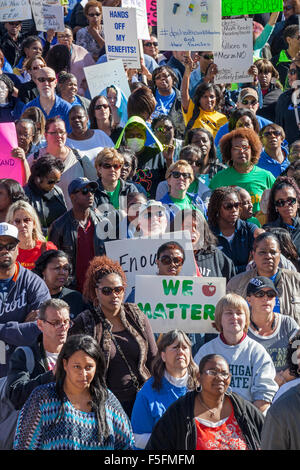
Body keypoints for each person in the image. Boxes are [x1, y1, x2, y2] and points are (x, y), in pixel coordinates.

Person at [69, 256, 158, 418]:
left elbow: (153, 357)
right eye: (107, 291)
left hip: (141, 399)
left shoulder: (136, 315)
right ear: (96, 291)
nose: (114, 295)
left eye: (119, 289)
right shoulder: (85, 321)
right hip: (102, 403)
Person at [13, 334, 134, 450]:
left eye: (89, 367)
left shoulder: (107, 400)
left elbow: (127, 445)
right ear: (65, 364)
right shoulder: (42, 399)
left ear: (96, 366)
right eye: (77, 366)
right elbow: (24, 445)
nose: (83, 373)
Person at [146, 353, 265, 450]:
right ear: (199, 376)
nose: (219, 377)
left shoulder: (243, 410)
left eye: (224, 373)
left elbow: (269, 437)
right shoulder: (179, 412)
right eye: (212, 372)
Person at [194, 294, 278, 413]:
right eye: (228, 313)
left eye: (239, 313)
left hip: (247, 421)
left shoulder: (257, 352)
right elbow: (195, 387)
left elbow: (264, 396)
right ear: (219, 318)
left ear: (246, 319)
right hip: (210, 419)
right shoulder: (206, 351)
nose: (234, 317)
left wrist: (247, 422)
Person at [131, 329, 199, 449]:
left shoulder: (201, 387)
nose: (181, 352)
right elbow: (138, 438)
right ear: (163, 355)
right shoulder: (147, 392)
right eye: (175, 347)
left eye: (185, 348)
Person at [0, 222, 50, 377]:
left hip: (24, 369)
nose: (4, 251)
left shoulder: (33, 283)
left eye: (10, 246)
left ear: (17, 249)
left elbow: (44, 326)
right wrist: (22, 326)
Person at [7, 298, 71, 411]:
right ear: (40, 324)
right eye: (56, 323)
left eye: (66, 321)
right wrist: (52, 375)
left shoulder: (76, 354)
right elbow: (15, 396)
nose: (63, 327)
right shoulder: (24, 355)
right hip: (38, 426)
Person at [227, 232, 300, 323]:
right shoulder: (236, 284)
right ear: (253, 254)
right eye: (262, 252)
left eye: (273, 252)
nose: (268, 256)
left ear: (280, 254)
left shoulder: (296, 280)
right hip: (250, 336)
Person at [48, 178, 105, 293]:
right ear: (72, 197)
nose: (90, 194)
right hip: (72, 290)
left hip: (99, 288)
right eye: (84, 190)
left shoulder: (102, 222)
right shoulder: (59, 226)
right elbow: (53, 261)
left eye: (92, 190)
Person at [27, 116, 97, 210]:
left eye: (61, 132)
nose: (59, 136)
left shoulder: (80, 158)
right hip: (45, 219)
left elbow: (94, 186)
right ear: (45, 135)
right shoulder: (34, 159)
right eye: (54, 132)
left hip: (75, 217)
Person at [246, 276, 299, 386]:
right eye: (260, 294)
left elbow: (298, 359)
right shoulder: (242, 328)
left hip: (286, 388)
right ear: (249, 300)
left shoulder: (288, 324)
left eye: (270, 294)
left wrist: (283, 377)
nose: (266, 298)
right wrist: (269, 381)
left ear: (275, 299)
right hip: (253, 390)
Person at [210, 128, 276, 214]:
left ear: (252, 150)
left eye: (245, 147)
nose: (241, 151)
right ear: (229, 152)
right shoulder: (219, 178)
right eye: (236, 148)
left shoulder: (266, 176)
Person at [207, 187, 261, 273]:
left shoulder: (250, 229)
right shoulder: (207, 232)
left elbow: (257, 264)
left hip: (246, 283)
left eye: (237, 205)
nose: (234, 210)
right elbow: (210, 269)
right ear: (217, 208)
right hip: (218, 284)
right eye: (228, 206)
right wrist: (245, 268)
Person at [173, 209, 236, 281]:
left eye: (197, 227)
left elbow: (231, 287)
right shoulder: (167, 255)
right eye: (188, 226)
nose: (193, 230)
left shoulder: (216, 256)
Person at [115, 116, 164, 199]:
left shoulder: (155, 154)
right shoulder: (119, 155)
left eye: (139, 136)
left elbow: (166, 179)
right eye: (131, 135)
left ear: (145, 137)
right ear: (125, 137)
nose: (135, 139)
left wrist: (169, 160)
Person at [33, 250, 87, 320]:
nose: (62, 272)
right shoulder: (32, 297)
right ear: (43, 270)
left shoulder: (76, 298)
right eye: (57, 268)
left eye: (66, 268)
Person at [181, 58, 227, 138]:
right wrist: (187, 70)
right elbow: (184, 93)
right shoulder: (192, 112)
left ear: (217, 99)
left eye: (212, 97)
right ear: (199, 99)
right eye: (205, 97)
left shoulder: (223, 118)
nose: (209, 100)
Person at [6, 200, 57, 270]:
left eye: (26, 220)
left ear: (34, 223)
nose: (22, 224)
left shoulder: (47, 248)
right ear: (10, 224)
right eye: (17, 221)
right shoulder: (6, 252)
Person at [23, 155, 67, 235]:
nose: (53, 185)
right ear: (38, 178)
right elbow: (23, 226)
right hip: (38, 242)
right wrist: (47, 231)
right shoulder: (24, 195)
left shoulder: (57, 191)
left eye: (56, 182)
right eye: (50, 182)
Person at [21, 67, 72, 134]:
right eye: (41, 79)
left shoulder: (67, 108)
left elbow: (70, 135)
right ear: (36, 82)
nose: (46, 83)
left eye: (50, 79)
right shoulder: (28, 109)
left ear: (55, 82)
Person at [93, 147, 138, 215]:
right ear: (99, 168)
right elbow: (92, 219)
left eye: (116, 166)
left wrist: (102, 215)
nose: (112, 169)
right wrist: (122, 213)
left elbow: (135, 215)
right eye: (107, 166)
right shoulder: (92, 190)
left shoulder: (130, 189)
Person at [263, 176, 300, 256]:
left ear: (298, 202)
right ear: (275, 206)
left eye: (291, 200)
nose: (286, 205)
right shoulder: (268, 230)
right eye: (280, 202)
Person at [56, 26, 95, 96]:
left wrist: (83, 87)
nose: (65, 39)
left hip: (79, 94)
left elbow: (93, 72)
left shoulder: (81, 51)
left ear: (73, 38)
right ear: (57, 38)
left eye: (68, 36)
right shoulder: (52, 52)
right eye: (61, 36)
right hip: (58, 93)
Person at [151, 66, 185, 139]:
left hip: (175, 140)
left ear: (173, 78)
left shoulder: (182, 99)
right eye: (158, 77)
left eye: (166, 76)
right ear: (155, 82)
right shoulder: (149, 96)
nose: (162, 79)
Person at [275, 57, 300, 144]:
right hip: (290, 153)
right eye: (288, 72)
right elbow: (278, 128)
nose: (289, 75)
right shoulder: (284, 97)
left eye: (292, 72)